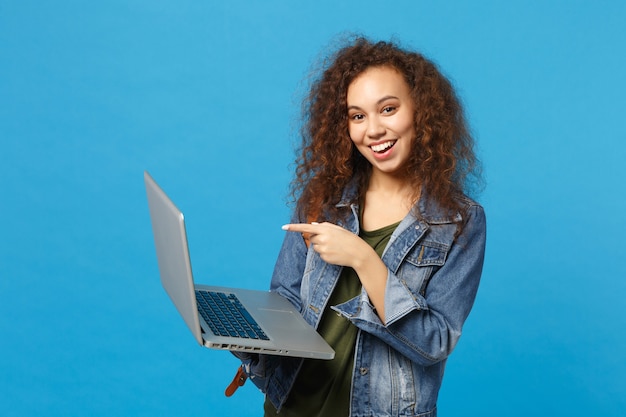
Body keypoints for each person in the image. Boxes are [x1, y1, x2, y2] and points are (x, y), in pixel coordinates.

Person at [232, 36, 486, 417]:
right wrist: (244, 333)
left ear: (421, 110)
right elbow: (285, 299)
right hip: (291, 405)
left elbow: (434, 341)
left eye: (388, 109)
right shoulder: (322, 199)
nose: (373, 130)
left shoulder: (459, 220)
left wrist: (364, 259)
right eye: (357, 116)